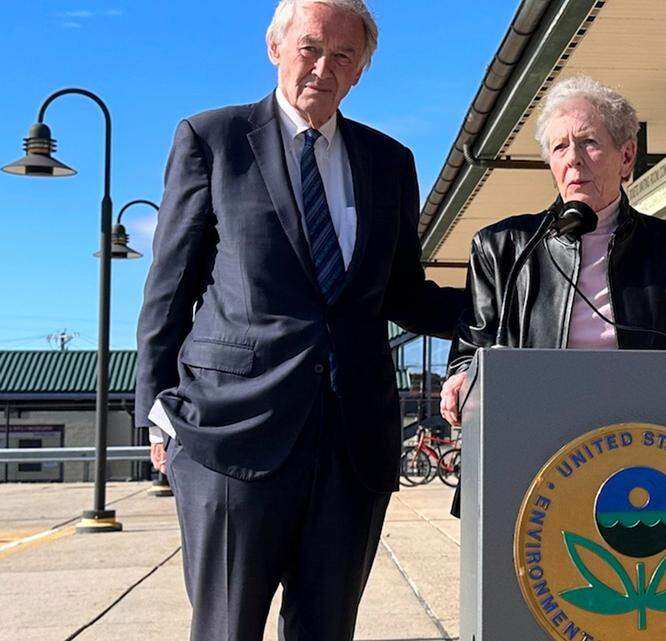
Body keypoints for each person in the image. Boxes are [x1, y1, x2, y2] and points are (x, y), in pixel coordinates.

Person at [134, 1, 463, 639]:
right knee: (226, 630)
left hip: (351, 444)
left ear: (361, 70)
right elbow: (170, 288)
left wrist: (510, 303)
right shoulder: (213, 139)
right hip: (230, 435)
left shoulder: (389, 161)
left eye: (343, 56)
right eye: (310, 48)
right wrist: (157, 412)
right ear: (275, 48)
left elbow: (402, 294)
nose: (322, 68)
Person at [439, 74, 666, 422]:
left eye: (588, 142)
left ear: (626, 156)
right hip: (539, 426)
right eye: (560, 147)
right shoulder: (502, 248)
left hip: (651, 427)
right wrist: (461, 378)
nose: (573, 159)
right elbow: (471, 348)